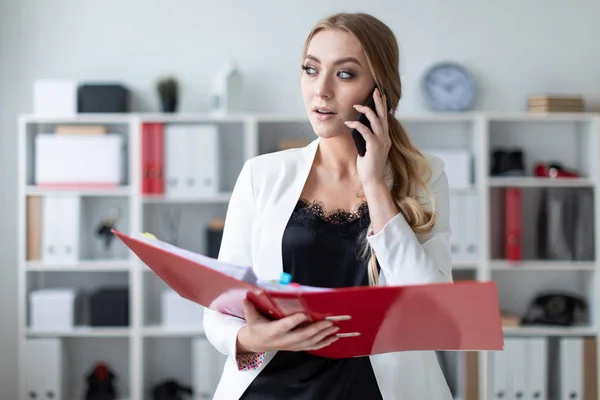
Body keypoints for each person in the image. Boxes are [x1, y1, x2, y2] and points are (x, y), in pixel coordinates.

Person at [203, 12, 454, 400]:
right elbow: (223, 307)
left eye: (345, 74)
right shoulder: (261, 175)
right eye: (310, 69)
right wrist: (250, 339)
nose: (320, 90)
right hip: (271, 390)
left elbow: (434, 309)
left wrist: (374, 184)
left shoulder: (425, 176)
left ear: (379, 90)